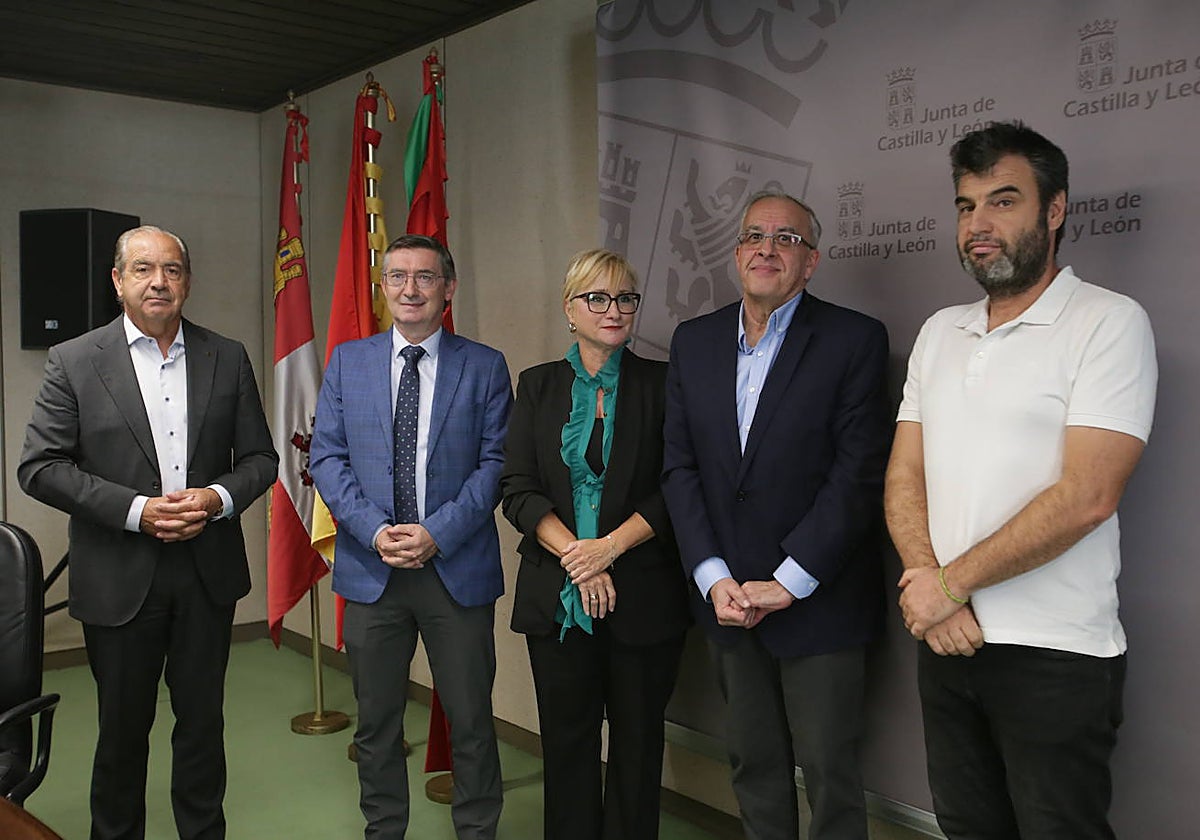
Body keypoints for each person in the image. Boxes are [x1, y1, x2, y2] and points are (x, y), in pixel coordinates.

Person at [886, 121, 1157, 840]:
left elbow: (1087, 496)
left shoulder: (1108, 322)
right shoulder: (940, 332)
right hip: (945, 641)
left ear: (1055, 209)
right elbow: (904, 476)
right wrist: (932, 588)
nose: (979, 224)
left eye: (1003, 201)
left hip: (1056, 654)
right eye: (966, 205)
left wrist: (947, 586)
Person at [18, 225, 278, 840]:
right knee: (121, 734)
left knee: (202, 728)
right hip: (118, 577)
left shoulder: (227, 356)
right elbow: (40, 467)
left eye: (172, 269)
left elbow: (260, 460)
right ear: (118, 281)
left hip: (206, 575)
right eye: (143, 269)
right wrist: (138, 510)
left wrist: (216, 499)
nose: (158, 282)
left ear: (187, 281)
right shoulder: (75, 360)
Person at [661, 191, 891, 840]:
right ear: (737, 253)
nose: (767, 248)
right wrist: (712, 577)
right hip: (728, 601)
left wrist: (790, 580)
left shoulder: (855, 340)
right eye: (754, 236)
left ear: (810, 261)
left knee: (830, 775)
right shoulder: (694, 342)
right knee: (754, 766)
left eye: (786, 238)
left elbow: (858, 474)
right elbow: (679, 468)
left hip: (820, 599)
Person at [309, 234, 512, 840]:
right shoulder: (348, 361)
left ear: (448, 289)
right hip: (372, 573)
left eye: (425, 277)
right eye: (397, 276)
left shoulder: (485, 365)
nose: (410, 289)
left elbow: (496, 464)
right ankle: (383, 831)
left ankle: (477, 831)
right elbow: (327, 459)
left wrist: (436, 533)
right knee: (376, 726)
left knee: (471, 722)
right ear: (383, 287)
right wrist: (375, 531)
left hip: (455, 571)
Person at [501, 249, 690, 840]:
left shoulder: (664, 384)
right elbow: (518, 490)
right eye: (597, 298)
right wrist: (579, 559)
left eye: (625, 298)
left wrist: (608, 549)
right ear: (570, 309)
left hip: (645, 593)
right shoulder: (537, 385)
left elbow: (679, 485)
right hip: (556, 597)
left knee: (638, 745)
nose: (614, 310)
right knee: (566, 744)